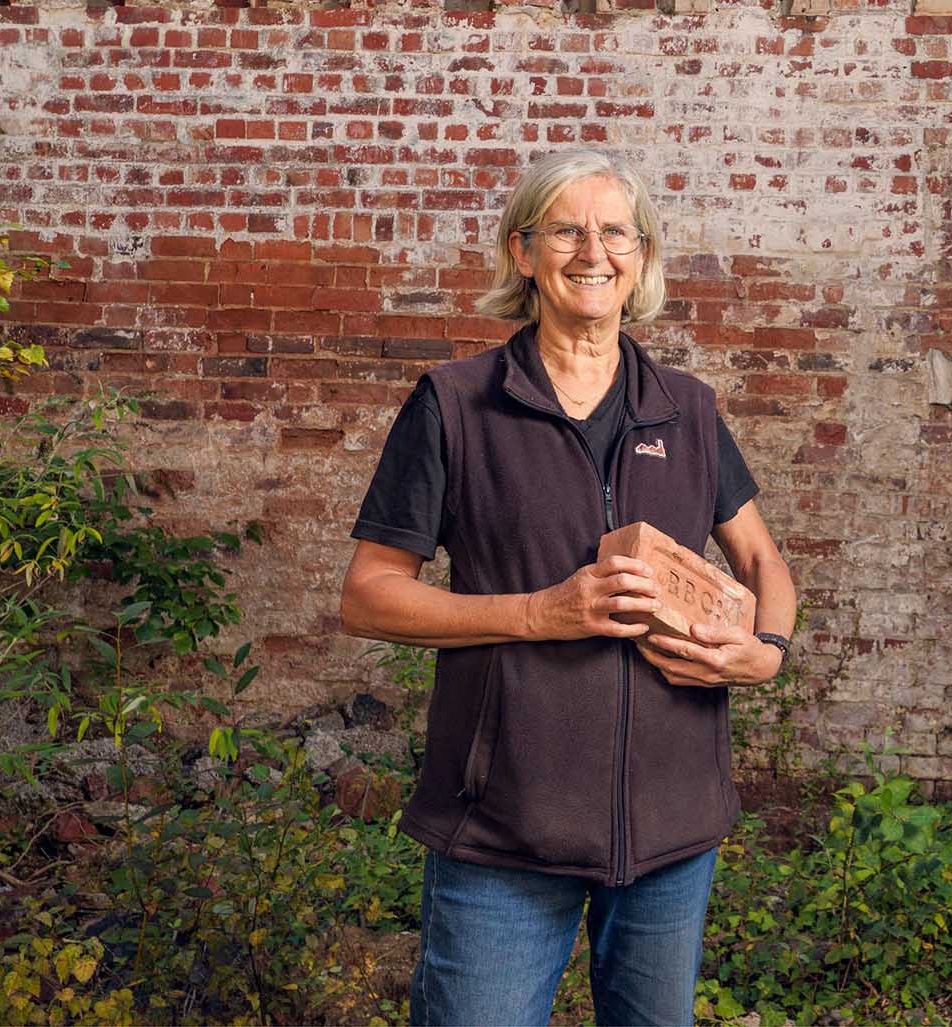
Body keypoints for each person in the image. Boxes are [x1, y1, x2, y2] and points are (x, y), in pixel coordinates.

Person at [339, 149, 795, 1027]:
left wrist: (765, 653)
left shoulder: (686, 408)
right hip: (506, 830)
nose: (594, 250)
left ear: (642, 254)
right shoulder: (457, 403)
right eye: (566, 229)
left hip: (672, 830)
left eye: (615, 230)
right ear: (523, 252)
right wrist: (544, 611)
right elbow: (369, 594)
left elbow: (766, 566)